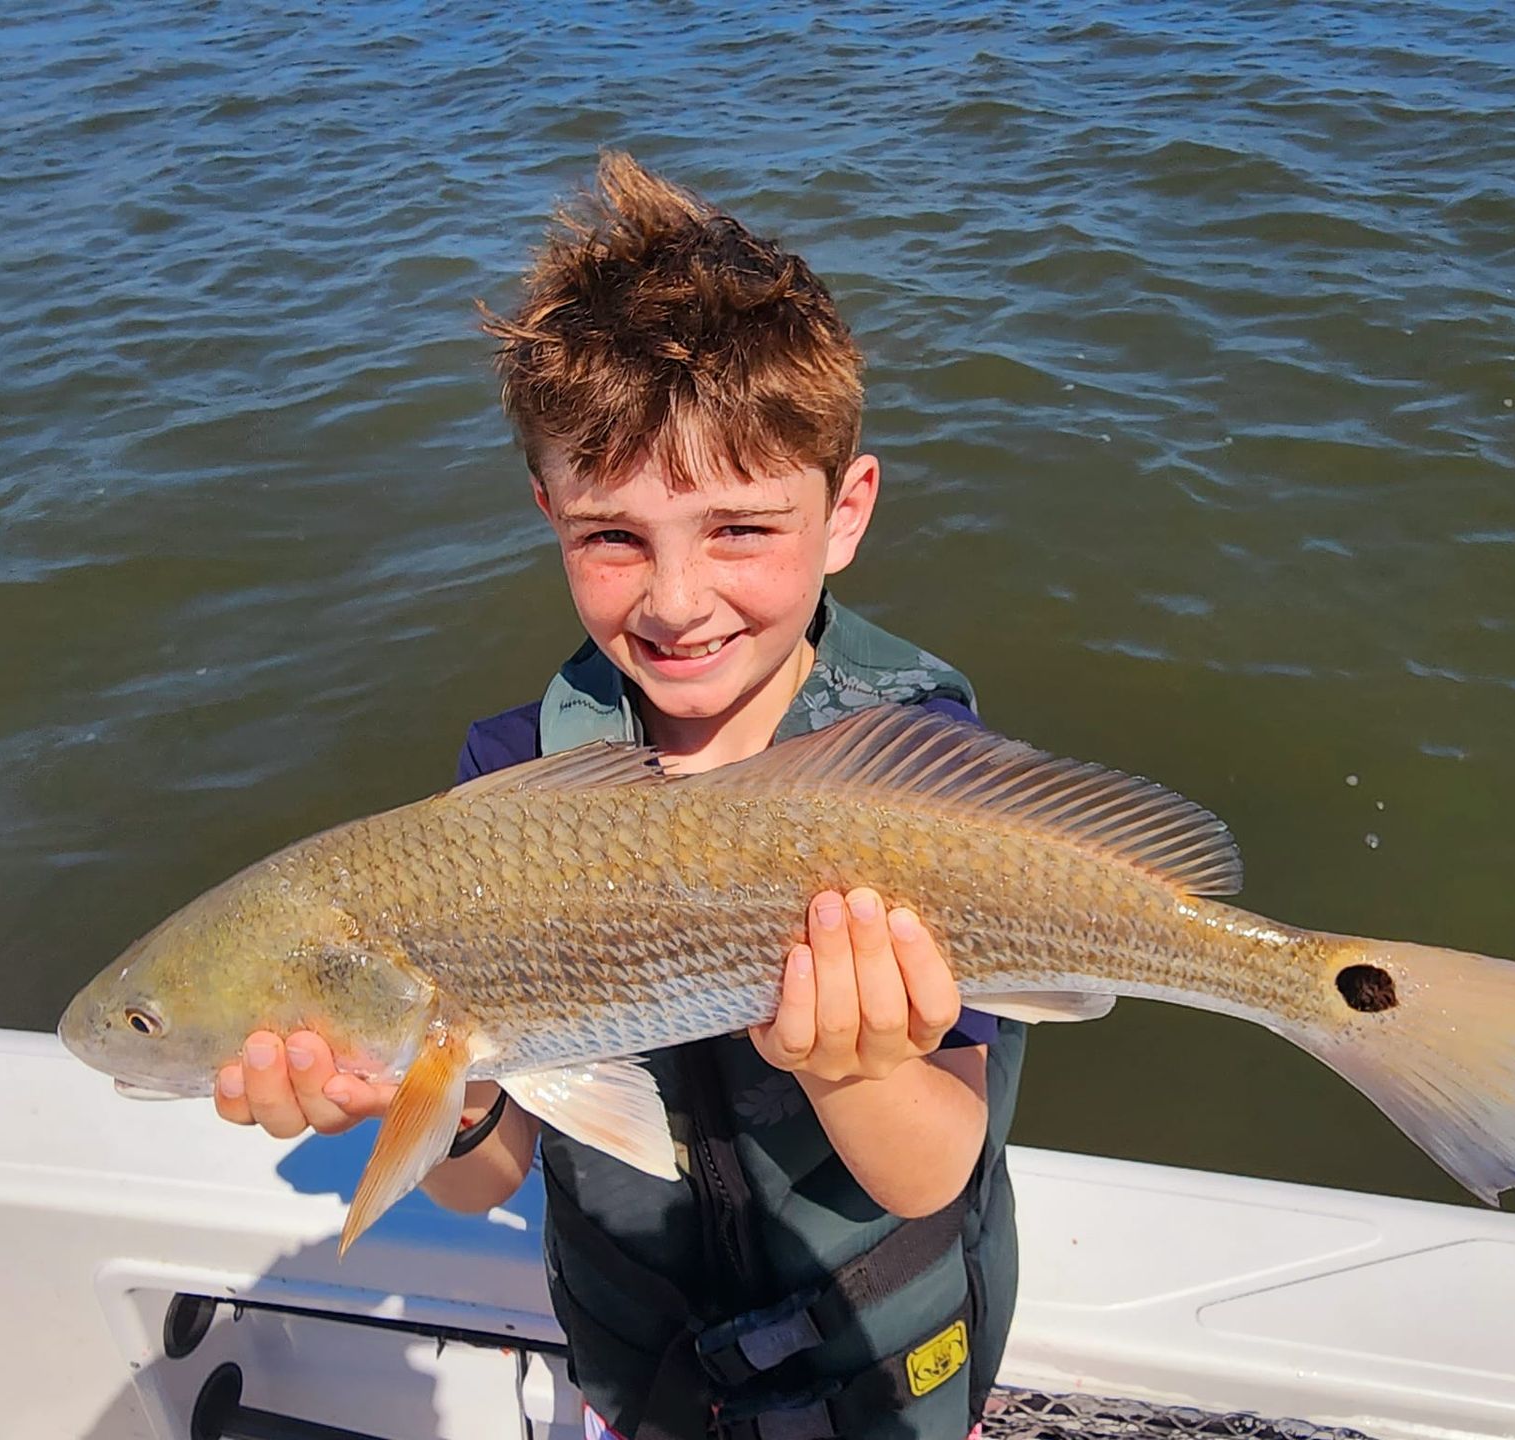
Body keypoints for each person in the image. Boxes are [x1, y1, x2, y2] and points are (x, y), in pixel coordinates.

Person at [210, 152, 1025, 1440]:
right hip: (643, 1366)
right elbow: (487, 1183)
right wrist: (426, 1086)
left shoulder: (922, 772)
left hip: (881, 1361)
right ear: (548, 510)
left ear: (847, 509)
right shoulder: (511, 776)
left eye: (742, 530)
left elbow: (933, 1172)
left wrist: (853, 1071)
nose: (679, 599)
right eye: (613, 536)